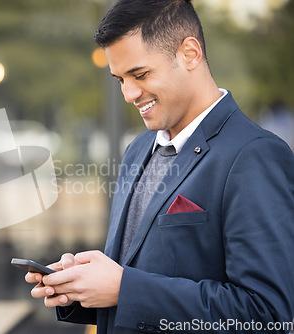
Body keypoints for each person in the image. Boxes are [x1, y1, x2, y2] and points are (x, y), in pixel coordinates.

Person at [24, 0, 294, 333]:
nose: (128, 93)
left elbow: (269, 316)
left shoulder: (254, 155)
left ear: (190, 54)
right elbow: (139, 286)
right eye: (119, 79)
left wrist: (125, 288)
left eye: (140, 74)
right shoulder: (137, 151)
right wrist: (82, 287)